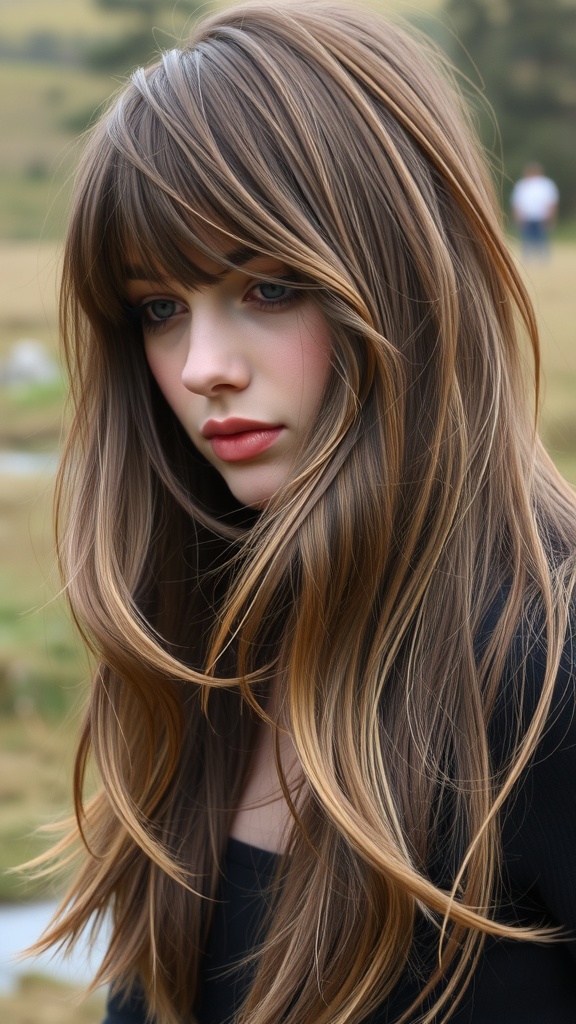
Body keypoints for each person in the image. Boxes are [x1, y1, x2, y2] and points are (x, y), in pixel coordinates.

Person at [27, 3, 576, 1022]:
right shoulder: (206, 642)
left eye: (270, 288)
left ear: (406, 271)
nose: (202, 369)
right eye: (159, 308)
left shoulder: (549, 661)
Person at [510, 162, 559, 262]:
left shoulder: (546, 184)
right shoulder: (522, 185)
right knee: (526, 239)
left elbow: (551, 202)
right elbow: (517, 203)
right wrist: (517, 217)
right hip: (526, 217)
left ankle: (543, 259)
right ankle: (527, 259)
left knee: (542, 238)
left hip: (542, 217)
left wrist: (551, 217)